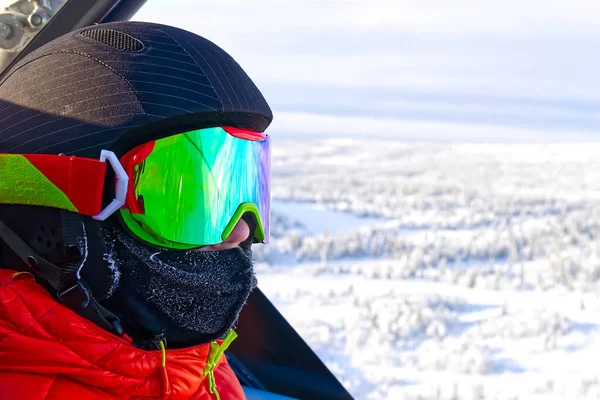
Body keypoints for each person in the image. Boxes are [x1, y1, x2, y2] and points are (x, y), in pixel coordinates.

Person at [0, 20, 272, 400]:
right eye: (186, 203)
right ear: (49, 218)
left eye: (240, 192)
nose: (241, 230)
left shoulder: (198, 366)